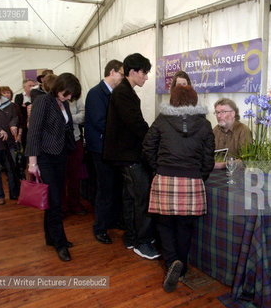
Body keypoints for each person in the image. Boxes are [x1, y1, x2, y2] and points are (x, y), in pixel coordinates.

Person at [143, 84, 215, 292]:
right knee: (185, 227)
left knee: (164, 225)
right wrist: (198, 176)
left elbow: (148, 147)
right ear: (194, 100)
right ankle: (181, 269)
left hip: (165, 177)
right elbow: (208, 158)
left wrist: (159, 168)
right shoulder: (204, 124)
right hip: (192, 180)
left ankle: (171, 262)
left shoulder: (162, 120)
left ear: (173, 100)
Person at [103, 53, 159, 259]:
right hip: (129, 155)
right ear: (133, 71)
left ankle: (131, 236)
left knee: (129, 197)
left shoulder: (124, 91)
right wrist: (154, 138)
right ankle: (142, 242)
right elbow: (136, 124)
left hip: (124, 155)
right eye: (144, 73)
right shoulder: (124, 93)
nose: (145, 78)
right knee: (141, 197)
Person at [26, 73, 81, 262]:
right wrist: (32, 162)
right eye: (67, 94)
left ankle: (50, 237)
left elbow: (65, 128)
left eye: (71, 96)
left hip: (60, 156)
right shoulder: (43, 101)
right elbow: (33, 132)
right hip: (44, 158)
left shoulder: (63, 103)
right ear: (59, 87)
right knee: (55, 201)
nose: (68, 98)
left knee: (53, 198)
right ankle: (60, 243)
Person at [85, 60, 125, 244]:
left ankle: (113, 219)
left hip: (113, 149)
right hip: (101, 149)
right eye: (122, 74)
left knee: (115, 186)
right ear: (112, 72)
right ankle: (100, 227)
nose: (123, 78)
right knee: (104, 189)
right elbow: (99, 122)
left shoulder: (115, 93)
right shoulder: (95, 93)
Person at [61, 95, 87, 217]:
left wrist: (68, 118)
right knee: (61, 177)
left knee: (75, 176)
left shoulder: (76, 98)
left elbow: (83, 115)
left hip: (75, 140)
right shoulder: (49, 101)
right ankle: (62, 206)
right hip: (59, 144)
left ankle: (74, 203)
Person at [213, 98, 252, 167]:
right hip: (215, 173)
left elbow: (246, 160)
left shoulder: (243, 130)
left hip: (237, 174)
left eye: (223, 112)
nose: (218, 116)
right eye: (217, 112)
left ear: (233, 113)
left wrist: (223, 165)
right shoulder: (215, 130)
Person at [14, 78, 36, 149]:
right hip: (23, 125)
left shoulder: (37, 96)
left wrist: (25, 105)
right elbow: (18, 111)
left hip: (34, 124)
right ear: (24, 87)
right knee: (25, 144)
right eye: (30, 85)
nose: (32, 87)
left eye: (34, 85)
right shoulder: (19, 97)